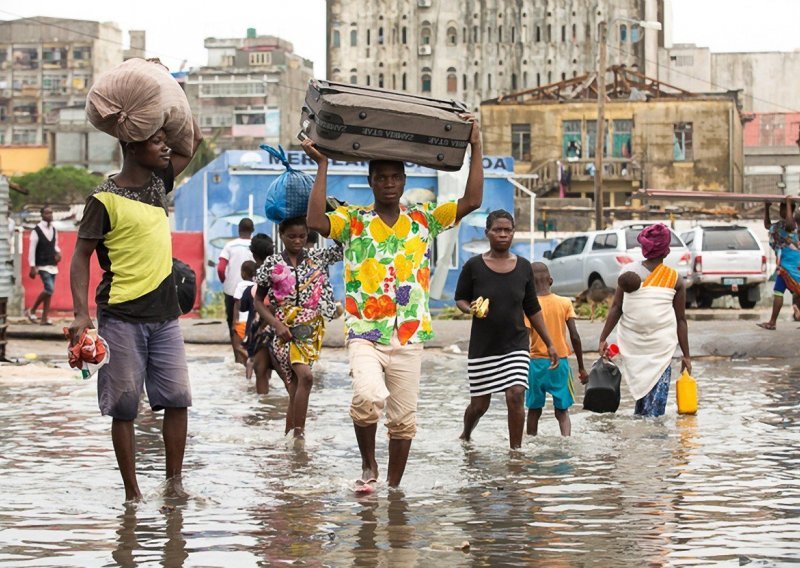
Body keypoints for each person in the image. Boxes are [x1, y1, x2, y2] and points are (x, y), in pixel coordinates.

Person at [303, 115, 484, 490]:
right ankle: (369, 465)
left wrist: (475, 146)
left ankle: (392, 487)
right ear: (370, 181)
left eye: (395, 177)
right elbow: (315, 219)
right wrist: (323, 165)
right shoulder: (354, 221)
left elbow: (472, 200)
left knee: (404, 420)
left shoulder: (424, 220)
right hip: (365, 331)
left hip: (410, 332)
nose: (388, 183)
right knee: (367, 396)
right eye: (381, 177)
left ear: (404, 181)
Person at [68, 123, 203, 502]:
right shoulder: (103, 199)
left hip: (165, 317)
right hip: (121, 316)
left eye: (164, 142)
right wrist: (81, 314)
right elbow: (80, 257)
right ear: (131, 145)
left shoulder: (158, 184)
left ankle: (174, 485)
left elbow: (193, 141)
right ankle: (133, 495)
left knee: (177, 399)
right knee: (124, 407)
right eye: (157, 141)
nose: (165, 149)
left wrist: (164, 87)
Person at [455, 212, 558, 448]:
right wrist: (469, 308)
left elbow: (532, 308)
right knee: (480, 406)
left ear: (513, 232)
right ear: (487, 233)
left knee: (516, 394)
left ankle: (516, 452)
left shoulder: (523, 267)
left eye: (507, 230)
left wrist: (550, 343)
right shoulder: (474, 266)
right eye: (497, 230)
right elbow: (460, 298)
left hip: (516, 343)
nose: (502, 234)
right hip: (483, 347)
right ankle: (466, 434)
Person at [254, 217, 342, 443]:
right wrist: (276, 324)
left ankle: (289, 439)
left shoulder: (317, 258)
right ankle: (300, 436)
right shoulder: (272, 264)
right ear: (281, 236)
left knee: (295, 387)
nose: (297, 241)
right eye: (291, 236)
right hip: (284, 331)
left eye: (302, 236)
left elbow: (345, 247)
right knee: (306, 377)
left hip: (311, 331)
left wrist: (331, 213)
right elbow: (257, 300)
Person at [598, 223, 691, 418]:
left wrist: (603, 337)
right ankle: (653, 445)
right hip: (661, 350)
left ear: (644, 248)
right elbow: (680, 320)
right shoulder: (675, 279)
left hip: (634, 347)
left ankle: (641, 444)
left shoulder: (628, 273)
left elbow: (617, 308)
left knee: (641, 407)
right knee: (655, 414)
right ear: (666, 251)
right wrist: (686, 355)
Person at [525, 262, 588, 437]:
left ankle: (530, 443)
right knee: (562, 412)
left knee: (534, 410)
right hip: (560, 363)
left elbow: (524, 338)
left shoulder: (528, 307)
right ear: (551, 281)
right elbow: (575, 336)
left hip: (536, 364)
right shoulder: (564, 303)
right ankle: (566, 440)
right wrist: (581, 368)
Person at [758, 197, 799, 331]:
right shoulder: (779, 225)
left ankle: (772, 322)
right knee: (779, 291)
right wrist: (767, 208)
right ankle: (772, 322)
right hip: (784, 265)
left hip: (793, 264)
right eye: (781, 208)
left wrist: (788, 203)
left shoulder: (793, 225)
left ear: (790, 211)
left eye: (784, 209)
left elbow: (789, 225)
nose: (781, 211)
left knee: (784, 292)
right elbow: (767, 226)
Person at [241, 233, 275, 395]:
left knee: (260, 370)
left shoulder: (258, 276)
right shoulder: (281, 270)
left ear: (253, 255)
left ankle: (263, 409)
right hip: (279, 324)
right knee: (282, 371)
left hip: (261, 326)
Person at [218, 218, 255, 361]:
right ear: (252, 230)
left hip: (232, 291)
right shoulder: (255, 245)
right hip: (253, 290)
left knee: (233, 323)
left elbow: (221, 268)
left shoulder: (230, 246)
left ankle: (238, 356)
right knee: (253, 319)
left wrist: (225, 282)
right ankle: (252, 354)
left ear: (238, 229)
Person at [25, 206, 61, 325]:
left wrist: (58, 253)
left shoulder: (54, 229)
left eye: (51, 213)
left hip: (52, 264)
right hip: (41, 265)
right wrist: (32, 266)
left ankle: (44, 318)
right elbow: (32, 249)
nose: (49, 215)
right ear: (42, 215)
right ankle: (32, 310)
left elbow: (55, 245)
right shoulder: (37, 230)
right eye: (47, 213)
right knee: (49, 288)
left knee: (49, 293)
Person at [231, 260, 257, 364]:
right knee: (249, 346)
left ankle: (252, 361)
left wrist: (234, 322)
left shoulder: (241, 285)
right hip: (252, 322)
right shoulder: (256, 285)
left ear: (243, 273)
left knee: (238, 347)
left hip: (241, 322)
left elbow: (237, 305)